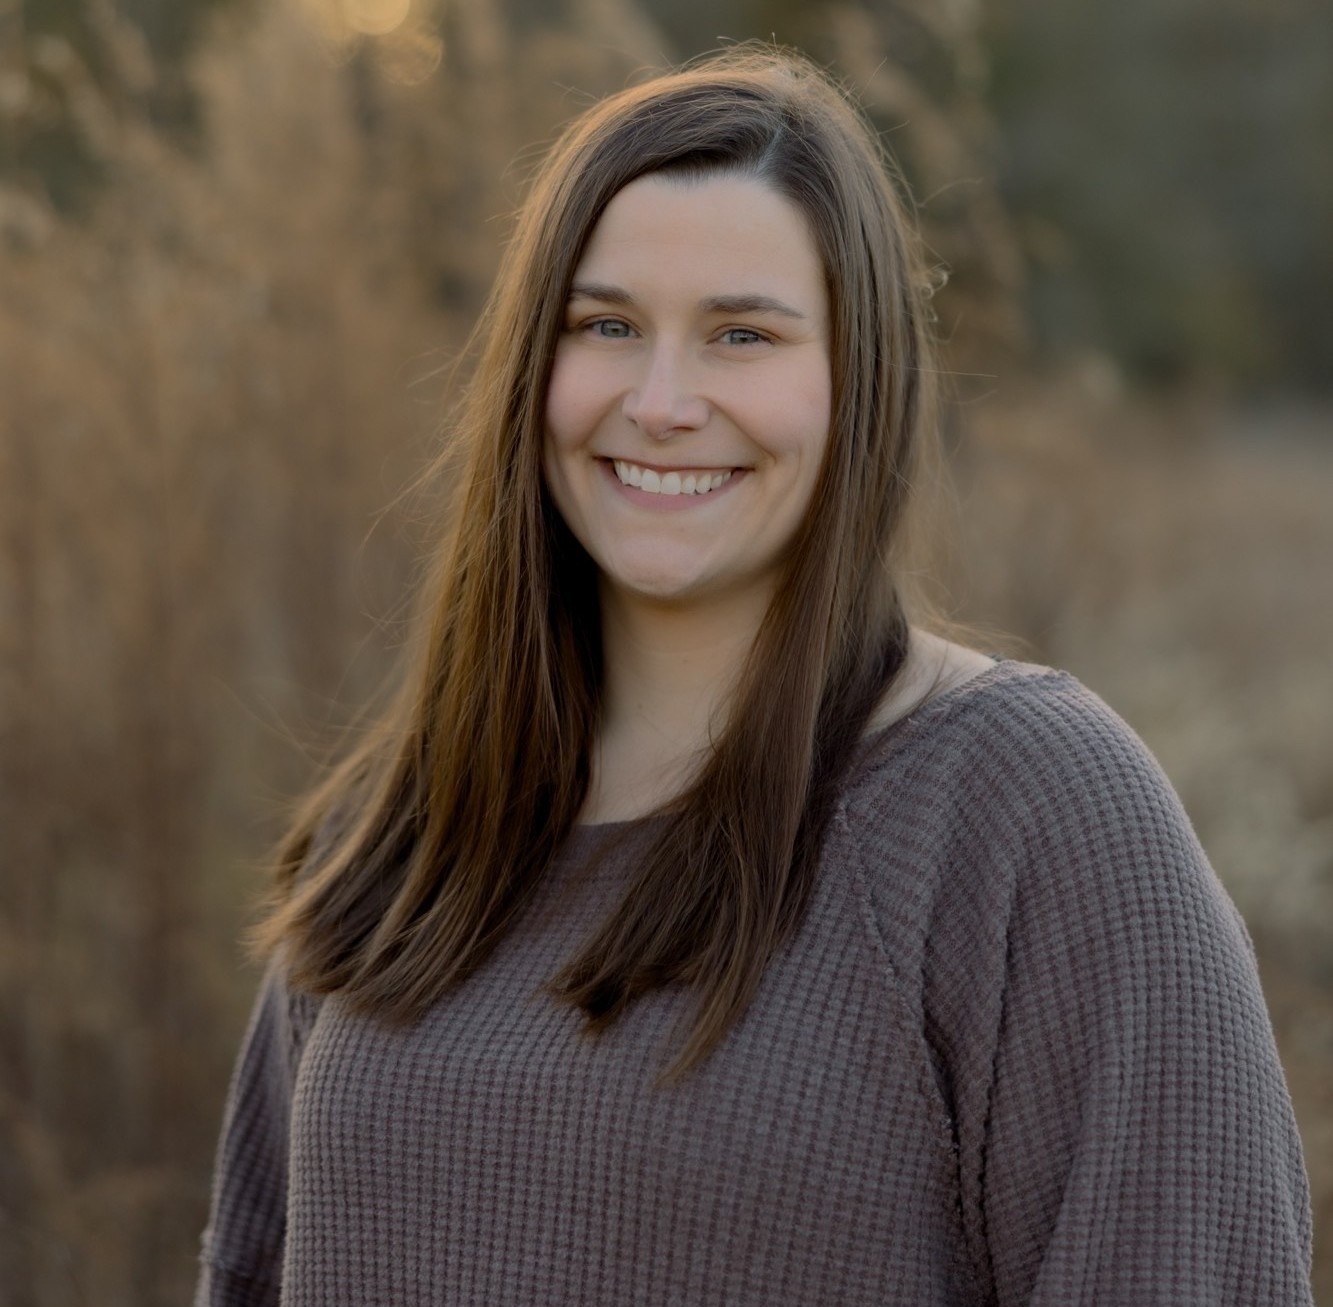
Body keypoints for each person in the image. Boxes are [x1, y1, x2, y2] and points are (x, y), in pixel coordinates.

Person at [194, 47, 1314, 1306]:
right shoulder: (400, 831)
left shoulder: (1026, 812)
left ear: (856, 387)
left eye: (742, 334)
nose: (662, 401)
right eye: (606, 325)